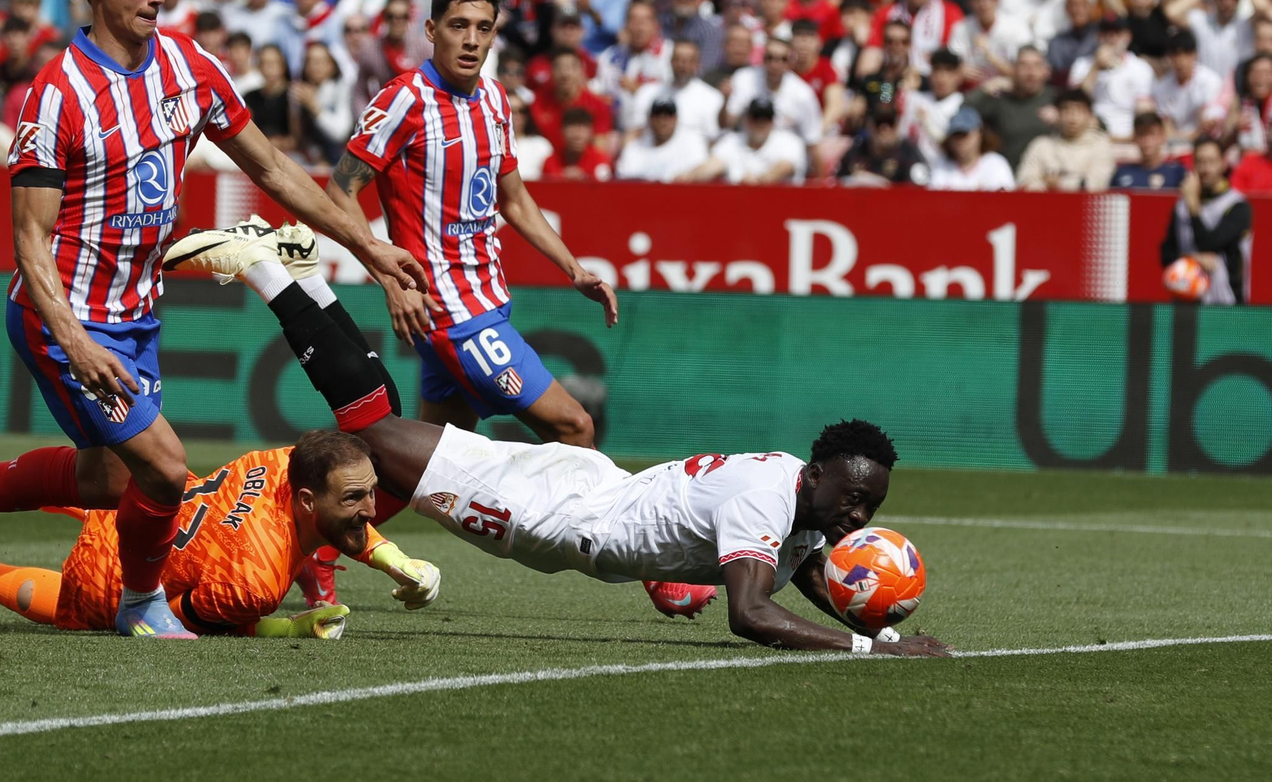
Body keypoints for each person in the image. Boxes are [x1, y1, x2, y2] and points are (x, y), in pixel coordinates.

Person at [0, 0, 424, 642]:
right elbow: (29, 244)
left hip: (135, 316)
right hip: (62, 316)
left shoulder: (190, 68)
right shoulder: (56, 96)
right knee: (164, 468)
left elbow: (274, 167)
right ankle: (141, 608)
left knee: (113, 481)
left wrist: (371, 247)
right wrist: (76, 342)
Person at [164, 249, 951, 655]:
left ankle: (299, 276)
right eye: (853, 497)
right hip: (552, 515)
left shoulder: (800, 500)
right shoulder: (768, 499)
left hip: (588, 483)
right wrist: (871, 649)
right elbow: (748, 614)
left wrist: (877, 631)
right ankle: (275, 275)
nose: (859, 514)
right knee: (369, 438)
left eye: (869, 506)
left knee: (378, 434)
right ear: (817, 474)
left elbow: (815, 575)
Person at [317, 0, 617, 449]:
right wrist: (392, 280)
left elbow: (513, 199)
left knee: (436, 463)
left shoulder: (496, 99)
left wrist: (573, 268)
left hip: (488, 296)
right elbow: (339, 190)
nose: (471, 39)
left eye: (483, 27)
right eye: (459, 25)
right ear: (432, 31)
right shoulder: (405, 100)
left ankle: (332, 510)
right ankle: (606, 525)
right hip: (449, 309)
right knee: (574, 426)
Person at [0, 430, 441, 638]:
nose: (371, 509)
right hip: (124, 564)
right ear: (306, 501)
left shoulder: (288, 463)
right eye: (356, 497)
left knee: (63, 484)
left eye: (372, 493)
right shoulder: (256, 581)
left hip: (150, 497)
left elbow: (344, 515)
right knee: (65, 602)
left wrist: (395, 560)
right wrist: (287, 630)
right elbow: (176, 620)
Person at [1161, 138, 1252, 305]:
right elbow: (1166, 254)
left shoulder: (1237, 206)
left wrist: (1194, 209)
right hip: (1187, 302)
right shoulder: (1182, 206)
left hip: (1226, 303)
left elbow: (1210, 243)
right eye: (1200, 162)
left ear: (1223, 164)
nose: (1205, 169)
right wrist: (1192, 258)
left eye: (1211, 162)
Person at [1016, 89, 1115, 192]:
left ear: (1090, 115)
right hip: (1045, 204)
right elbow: (1024, 180)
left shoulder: (1101, 145)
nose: (1073, 117)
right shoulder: (1041, 145)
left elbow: (1096, 184)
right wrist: (1044, 188)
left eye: (1079, 110)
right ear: (1057, 113)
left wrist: (1059, 184)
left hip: (1084, 205)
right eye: (1066, 110)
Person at [692, 99, 808, 185]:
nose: (760, 123)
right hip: (736, 207)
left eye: (766, 118)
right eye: (756, 117)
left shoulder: (790, 142)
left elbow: (784, 167)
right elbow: (710, 166)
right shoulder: (732, 141)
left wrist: (756, 182)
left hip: (781, 206)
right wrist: (686, 177)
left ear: (773, 121)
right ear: (746, 119)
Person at [615, 99, 709, 182]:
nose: (662, 121)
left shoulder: (692, 144)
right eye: (658, 115)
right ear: (650, 119)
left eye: (668, 115)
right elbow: (624, 181)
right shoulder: (635, 148)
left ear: (676, 119)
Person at [926, 106, 1016, 191]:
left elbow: (1006, 203)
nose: (960, 141)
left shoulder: (995, 164)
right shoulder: (941, 165)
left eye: (964, 134)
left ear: (979, 134)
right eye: (956, 135)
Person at [1113, 112, 1187, 192]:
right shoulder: (1122, 173)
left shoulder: (1177, 173)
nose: (1146, 140)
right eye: (1141, 134)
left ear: (1162, 136)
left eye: (1151, 134)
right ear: (1134, 138)